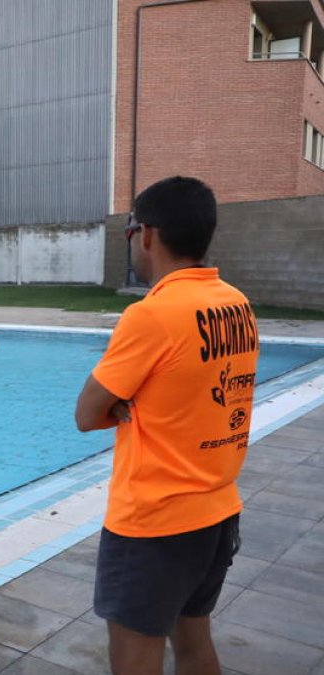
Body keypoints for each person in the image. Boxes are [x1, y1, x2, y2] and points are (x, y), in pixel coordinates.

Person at [75, 176, 256, 675]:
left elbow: (86, 415)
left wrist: (120, 405)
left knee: (135, 660)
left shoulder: (151, 315)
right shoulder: (236, 305)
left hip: (154, 524)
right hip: (217, 512)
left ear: (147, 234)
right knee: (195, 642)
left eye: (130, 230)